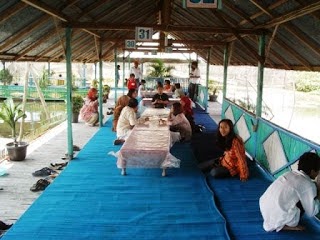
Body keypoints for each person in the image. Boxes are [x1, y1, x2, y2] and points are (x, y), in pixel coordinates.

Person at [259, 152, 320, 232]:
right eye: (318, 170)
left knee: (303, 194)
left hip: (264, 207)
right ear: (312, 171)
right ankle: (286, 224)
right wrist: (319, 190)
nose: (318, 173)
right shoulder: (308, 185)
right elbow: (311, 212)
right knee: (307, 197)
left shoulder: (290, 173)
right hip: (277, 214)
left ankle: (279, 220)